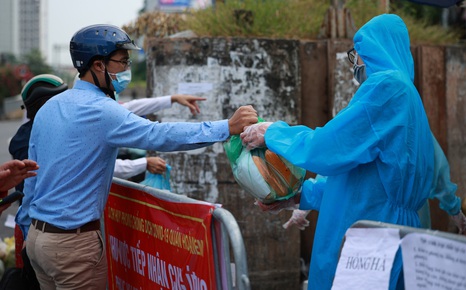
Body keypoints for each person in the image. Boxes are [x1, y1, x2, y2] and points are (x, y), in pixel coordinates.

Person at [17, 24, 258, 290]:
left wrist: (28, 227)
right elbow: (160, 135)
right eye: (122, 62)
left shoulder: (50, 107)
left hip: (39, 241)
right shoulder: (102, 111)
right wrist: (226, 127)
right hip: (72, 246)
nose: (127, 69)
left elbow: (31, 173)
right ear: (98, 65)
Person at [241, 14, 441, 290]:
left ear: (373, 50)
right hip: (381, 229)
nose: (356, 63)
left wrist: (272, 132)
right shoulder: (407, 96)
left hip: (368, 241)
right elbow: (360, 180)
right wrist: (297, 197)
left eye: (357, 54)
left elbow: (330, 148)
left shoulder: (387, 88)